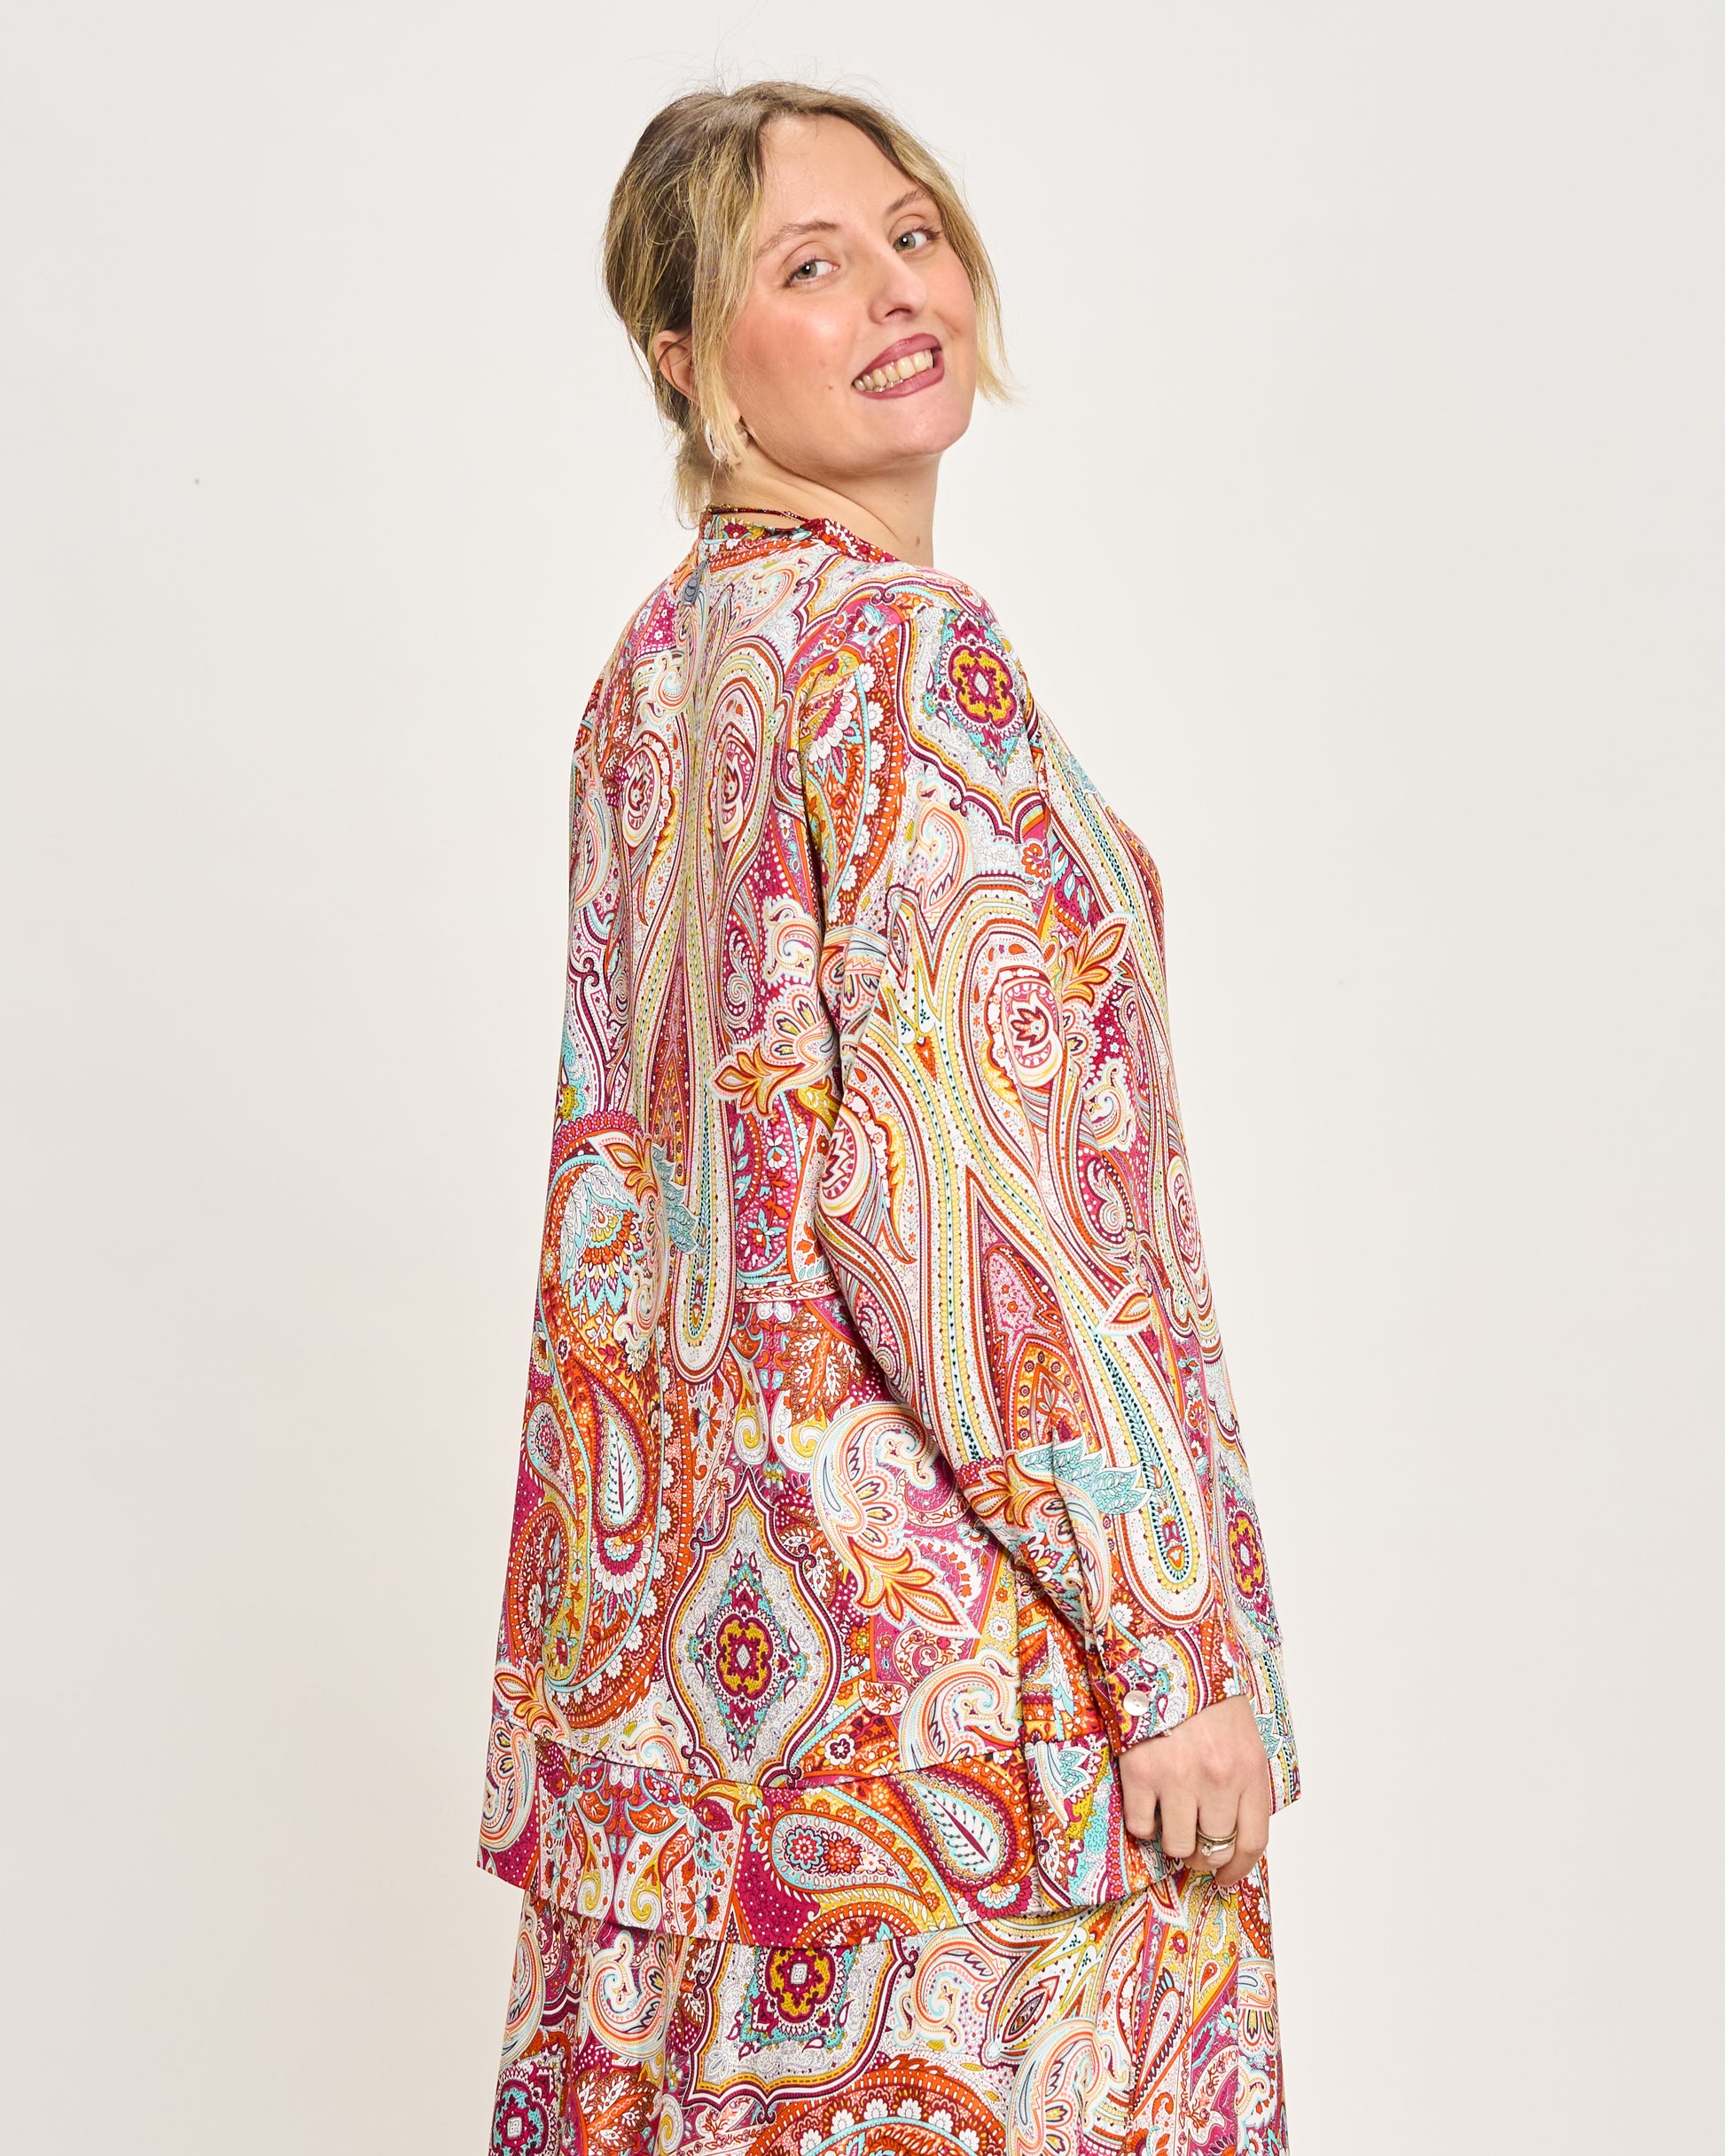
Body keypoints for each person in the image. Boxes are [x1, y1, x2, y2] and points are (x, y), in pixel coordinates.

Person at [475, 79, 1300, 2156]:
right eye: (810, 265)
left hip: (690, 1734)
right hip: (963, 1750)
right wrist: (1170, 1643)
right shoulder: (910, 662)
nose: (895, 294)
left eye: (912, 236)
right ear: (685, 355)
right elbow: (970, 1209)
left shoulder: (652, 681)